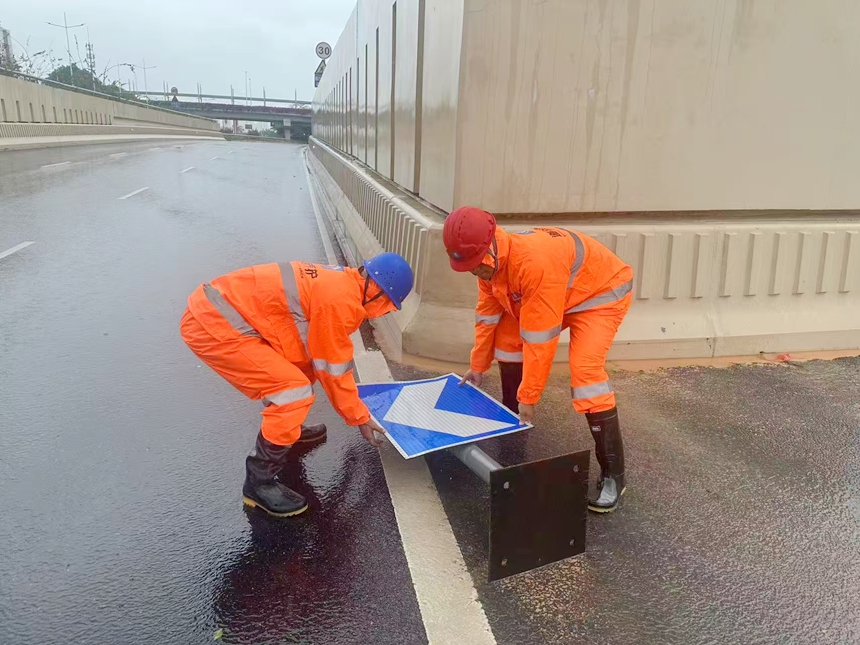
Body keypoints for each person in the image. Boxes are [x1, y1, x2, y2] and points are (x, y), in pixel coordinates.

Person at [179, 254, 414, 517]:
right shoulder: (340, 303)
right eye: (389, 304)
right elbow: (334, 370)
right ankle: (258, 483)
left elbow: (314, 354)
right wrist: (359, 417)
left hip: (220, 312)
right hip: (212, 325)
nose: (386, 311)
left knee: (299, 370)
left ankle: (288, 430)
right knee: (291, 393)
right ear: (378, 291)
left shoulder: (343, 282)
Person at [443, 207, 633, 513]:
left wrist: (528, 397)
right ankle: (513, 437)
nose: (475, 272)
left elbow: (539, 342)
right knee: (507, 342)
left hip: (600, 294)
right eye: (469, 268)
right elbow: (486, 318)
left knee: (587, 376)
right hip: (561, 290)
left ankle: (614, 475)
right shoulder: (488, 264)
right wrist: (477, 367)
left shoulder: (531, 265)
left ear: (490, 247)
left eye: (478, 266)